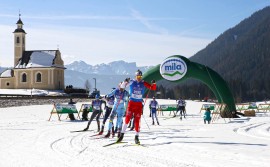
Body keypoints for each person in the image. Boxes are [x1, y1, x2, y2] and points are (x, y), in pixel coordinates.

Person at [117, 69, 156, 144]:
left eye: (140, 76)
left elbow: (153, 88)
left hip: (138, 105)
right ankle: (122, 135)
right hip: (131, 103)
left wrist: (154, 83)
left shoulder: (143, 82)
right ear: (135, 76)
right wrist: (125, 81)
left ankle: (136, 137)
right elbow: (122, 87)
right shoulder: (132, 81)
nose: (139, 78)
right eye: (138, 76)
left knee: (137, 121)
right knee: (127, 119)